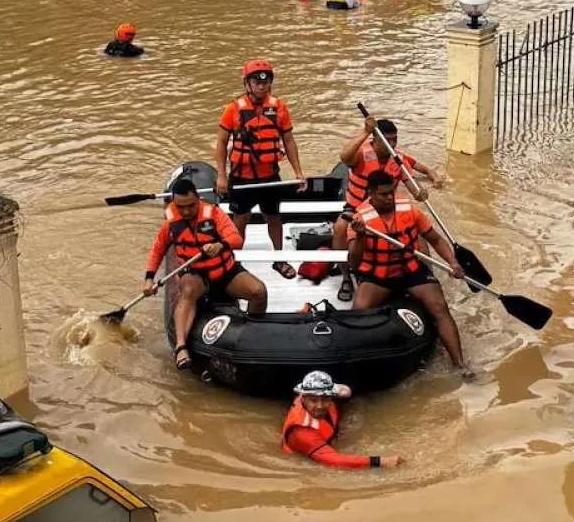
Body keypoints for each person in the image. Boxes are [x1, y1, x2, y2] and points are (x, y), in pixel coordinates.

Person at [348, 170, 471, 376]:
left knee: (440, 308)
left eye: (391, 192)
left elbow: (436, 239)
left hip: (411, 271)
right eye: (384, 194)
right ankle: (357, 365)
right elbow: (354, 261)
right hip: (379, 276)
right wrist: (360, 236)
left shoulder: (410, 211)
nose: (390, 198)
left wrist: (452, 262)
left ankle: (461, 366)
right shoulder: (359, 218)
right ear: (371, 193)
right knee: (359, 312)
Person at [144, 178, 268, 370]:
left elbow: (236, 238)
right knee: (187, 291)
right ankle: (181, 347)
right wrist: (149, 278)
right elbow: (157, 250)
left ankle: (253, 335)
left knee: (258, 291)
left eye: (191, 206)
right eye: (181, 207)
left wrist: (221, 244)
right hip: (195, 273)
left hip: (224, 271)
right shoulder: (170, 223)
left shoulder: (214, 214)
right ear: (174, 204)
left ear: (198, 199)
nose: (186, 211)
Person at [214, 59, 307, 280]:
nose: (262, 86)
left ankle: (280, 259)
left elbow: (289, 141)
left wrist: (298, 172)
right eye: (256, 81)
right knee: (240, 221)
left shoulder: (279, 108)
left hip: (270, 177)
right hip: (242, 177)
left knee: (274, 218)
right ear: (247, 84)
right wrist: (221, 175)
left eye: (266, 82)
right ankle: (235, 263)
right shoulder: (233, 109)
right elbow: (220, 143)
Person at [332, 116, 441, 301]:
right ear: (374, 139)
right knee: (340, 228)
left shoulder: (397, 158)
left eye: (394, 140)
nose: (391, 144)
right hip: (357, 206)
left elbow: (412, 185)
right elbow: (344, 157)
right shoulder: (361, 155)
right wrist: (366, 131)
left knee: (417, 231)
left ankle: (426, 275)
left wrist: (421, 192)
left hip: (387, 207)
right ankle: (346, 277)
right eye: (386, 140)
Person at [282, 370, 404, 469]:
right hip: (308, 456)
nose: (320, 405)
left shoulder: (330, 396)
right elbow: (334, 459)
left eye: (325, 399)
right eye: (313, 400)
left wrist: (347, 392)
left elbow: (344, 390)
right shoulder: (301, 433)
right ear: (303, 399)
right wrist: (380, 461)